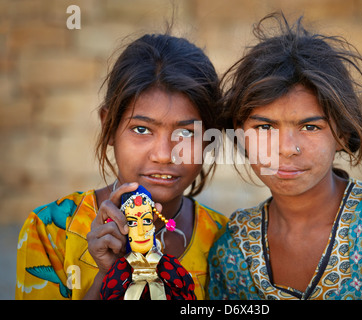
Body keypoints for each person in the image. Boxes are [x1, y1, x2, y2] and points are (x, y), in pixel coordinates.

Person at [208, 12, 362, 300]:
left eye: (310, 126)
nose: (286, 148)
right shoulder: (232, 248)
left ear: (341, 134)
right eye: (265, 127)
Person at [16, 32, 228, 300]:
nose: (164, 155)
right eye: (141, 129)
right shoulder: (50, 232)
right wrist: (105, 276)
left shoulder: (226, 241)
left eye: (186, 133)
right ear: (109, 126)